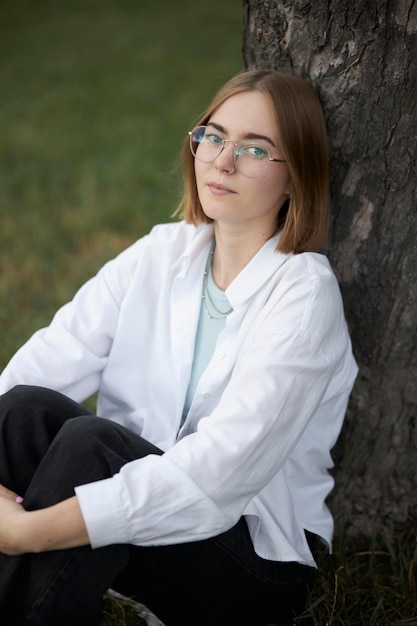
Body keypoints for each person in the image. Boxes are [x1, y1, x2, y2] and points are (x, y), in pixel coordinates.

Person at [0, 69, 358, 626]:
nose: (222, 160)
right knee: (21, 409)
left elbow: (218, 476)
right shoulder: (162, 253)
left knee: (90, 445)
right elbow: (51, 358)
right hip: (145, 523)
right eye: (213, 136)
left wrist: (27, 532)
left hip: (250, 560)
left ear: (295, 179)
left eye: (255, 148)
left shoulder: (304, 294)